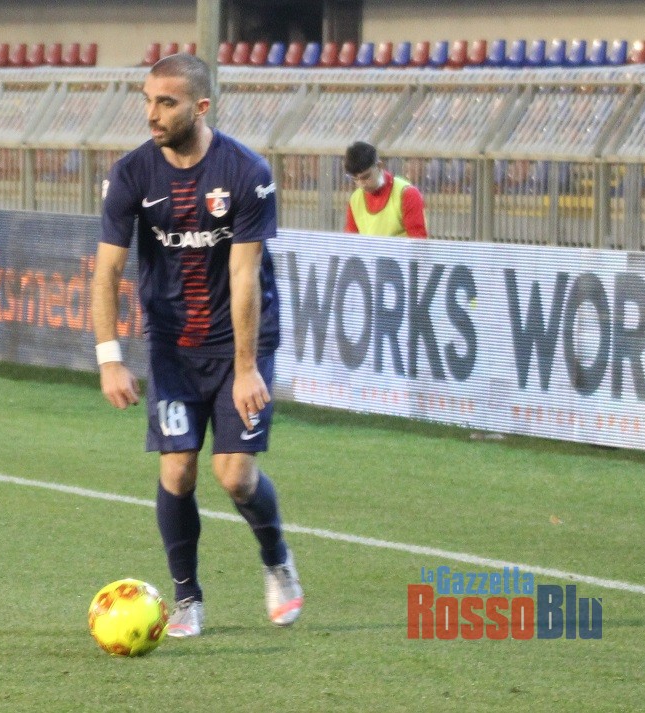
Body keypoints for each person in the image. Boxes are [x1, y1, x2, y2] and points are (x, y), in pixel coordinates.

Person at [91, 53, 302, 638]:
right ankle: (187, 598)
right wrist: (110, 358)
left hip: (240, 342)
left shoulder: (245, 172)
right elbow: (107, 271)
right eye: (147, 100)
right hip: (172, 346)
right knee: (178, 470)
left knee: (235, 476)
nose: (152, 114)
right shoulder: (132, 174)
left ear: (201, 106)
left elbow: (244, 276)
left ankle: (277, 561)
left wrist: (246, 368)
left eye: (167, 102)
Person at [343, 141, 428, 238]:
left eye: (366, 177)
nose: (361, 184)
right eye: (355, 179)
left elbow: (417, 240)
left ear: (379, 166)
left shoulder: (407, 194)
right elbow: (351, 241)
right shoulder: (355, 200)